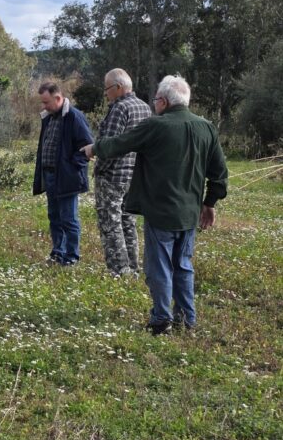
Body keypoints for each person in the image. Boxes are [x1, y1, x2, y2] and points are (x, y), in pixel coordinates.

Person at [81, 75, 228, 335]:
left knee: (159, 267)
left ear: (162, 102)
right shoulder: (206, 127)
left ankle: (161, 320)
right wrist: (210, 203)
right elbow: (219, 173)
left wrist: (94, 149)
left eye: (156, 100)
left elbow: (120, 143)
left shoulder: (156, 125)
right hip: (190, 213)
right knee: (183, 265)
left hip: (161, 212)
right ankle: (187, 319)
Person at [94, 69, 152, 276]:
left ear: (118, 88)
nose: (106, 94)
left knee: (111, 225)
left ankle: (120, 271)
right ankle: (133, 267)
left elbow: (108, 146)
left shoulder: (119, 109)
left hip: (113, 176)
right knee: (128, 222)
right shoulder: (145, 108)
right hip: (133, 177)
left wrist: (98, 170)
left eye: (107, 89)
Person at [32, 82, 94, 266]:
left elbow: (87, 147)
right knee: (55, 217)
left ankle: (71, 257)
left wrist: (71, 166)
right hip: (50, 176)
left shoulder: (74, 117)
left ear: (58, 98)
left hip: (67, 178)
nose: (44, 106)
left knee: (69, 219)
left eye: (46, 102)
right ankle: (57, 253)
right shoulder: (49, 118)